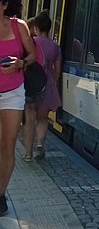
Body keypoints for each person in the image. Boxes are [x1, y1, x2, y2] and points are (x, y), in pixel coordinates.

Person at [0, 0, 36, 216]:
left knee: (8, 145)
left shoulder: (18, 26)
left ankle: (0, 194)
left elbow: (33, 55)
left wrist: (20, 63)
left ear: (3, 5)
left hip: (12, 93)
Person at [23, 11, 62, 162]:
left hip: (30, 86)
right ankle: (40, 143)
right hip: (46, 85)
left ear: (36, 28)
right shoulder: (55, 47)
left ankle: (27, 154)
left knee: (29, 119)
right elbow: (57, 70)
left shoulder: (31, 43)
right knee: (42, 118)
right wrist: (53, 83)